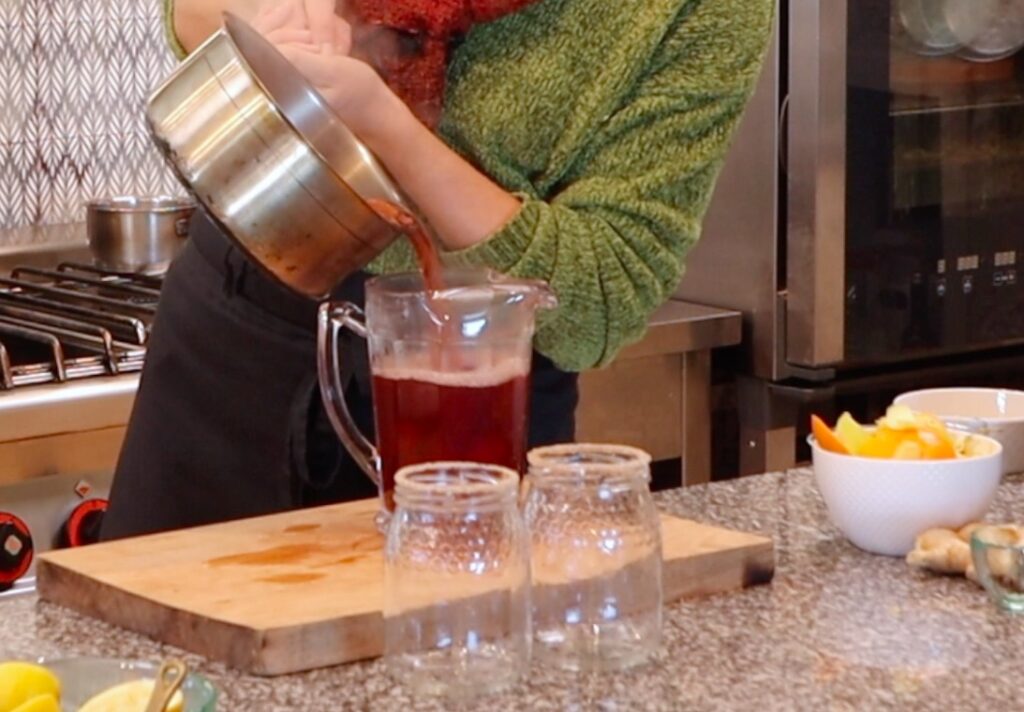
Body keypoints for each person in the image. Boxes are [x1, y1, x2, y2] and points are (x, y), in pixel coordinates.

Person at [100, 0, 773, 539]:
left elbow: (603, 294)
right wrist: (263, 19)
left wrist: (385, 124)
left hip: (476, 400)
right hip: (234, 346)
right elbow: (187, 9)